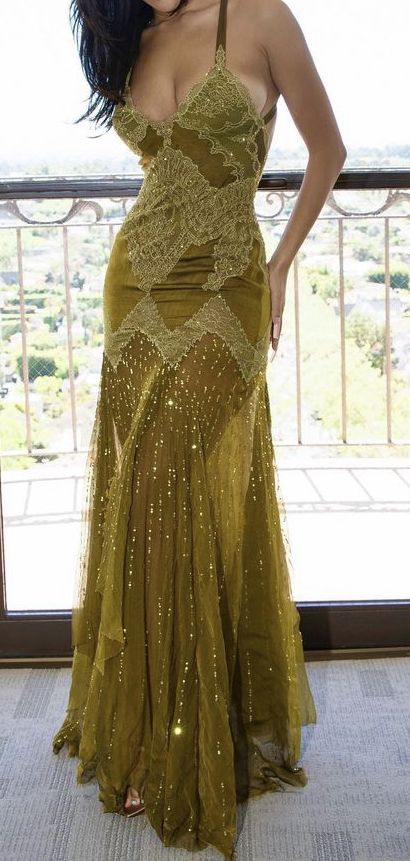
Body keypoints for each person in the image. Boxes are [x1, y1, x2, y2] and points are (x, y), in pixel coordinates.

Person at [52, 1, 346, 858]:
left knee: (169, 483)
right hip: (137, 288)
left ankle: (178, 730)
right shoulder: (128, 34)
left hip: (227, 288)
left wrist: (281, 264)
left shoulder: (258, 16)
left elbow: (328, 150)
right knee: (144, 499)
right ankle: (156, 725)